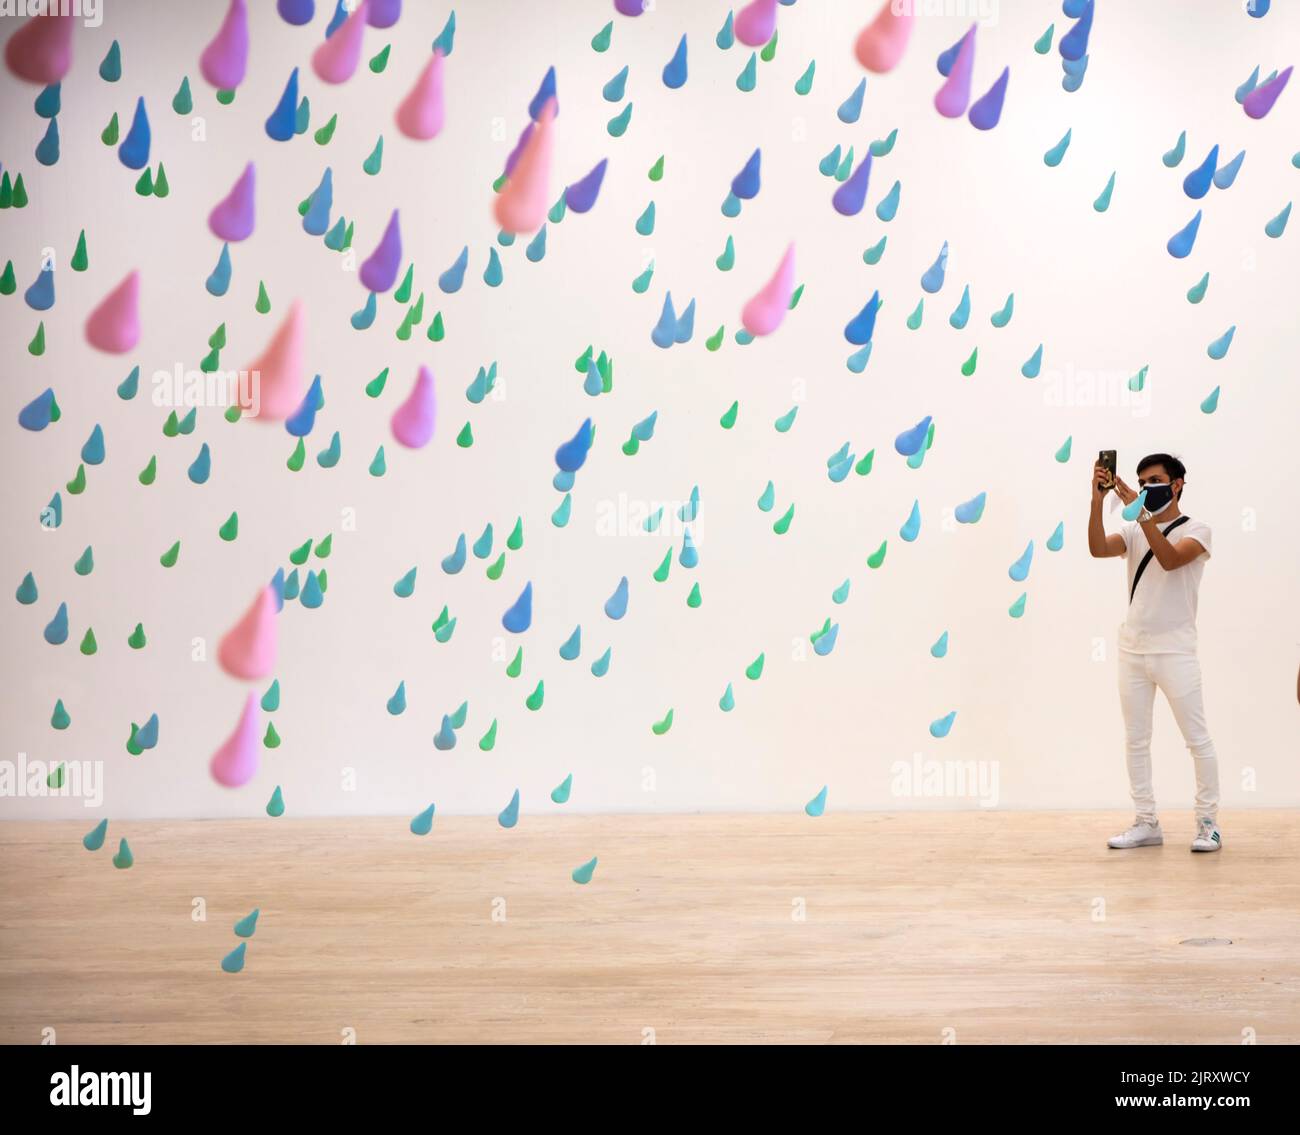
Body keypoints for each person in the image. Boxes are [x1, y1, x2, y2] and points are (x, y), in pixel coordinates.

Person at [1087, 453, 1222, 852]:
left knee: (1197, 740)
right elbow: (1096, 548)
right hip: (1133, 650)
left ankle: (1208, 824)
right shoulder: (1132, 531)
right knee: (1136, 740)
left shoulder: (1197, 530)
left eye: (1156, 480)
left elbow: (1168, 560)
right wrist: (1098, 501)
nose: (1147, 487)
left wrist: (1142, 513)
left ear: (1177, 484)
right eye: (1142, 482)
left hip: (1176, 652)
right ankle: (1146, 822)